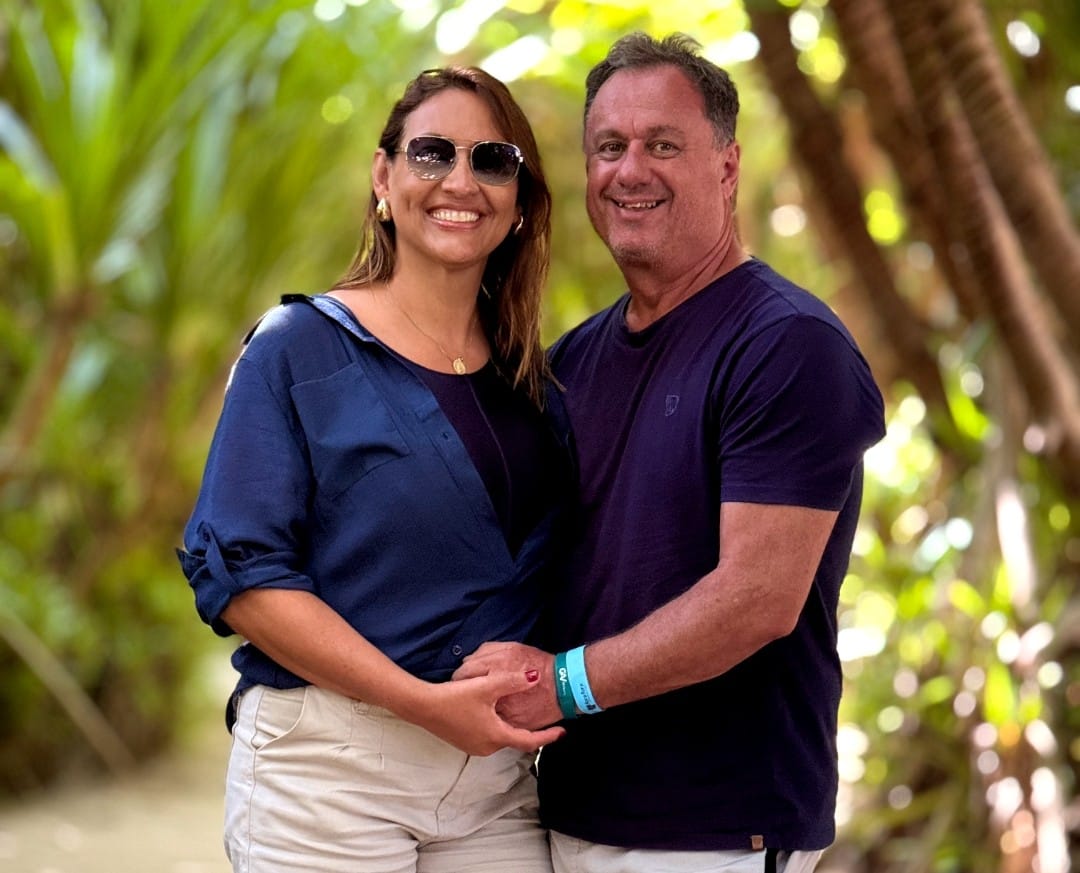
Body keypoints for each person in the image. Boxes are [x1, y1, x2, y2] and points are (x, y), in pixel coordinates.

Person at [454, 33, 887, 873]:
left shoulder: (788, 345)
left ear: (727, 166)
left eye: (662, 145)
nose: (629, 170)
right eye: (609, 147)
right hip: (572, 813)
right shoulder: (574, 362)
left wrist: (562, 685)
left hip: (715, 831)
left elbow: (756, 599)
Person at [177, 66, 573, 873]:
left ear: (521, 202)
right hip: (330, 769)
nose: (460, 180)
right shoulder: (297, 348)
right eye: (432, 153)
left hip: (494, 781)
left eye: (492, 160)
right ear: (384, 177)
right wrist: (421, 702)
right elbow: (244, 579)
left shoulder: (535, 386)